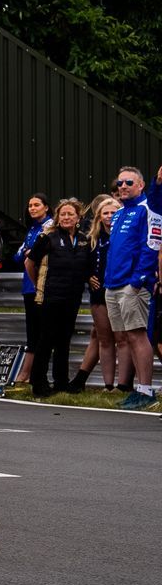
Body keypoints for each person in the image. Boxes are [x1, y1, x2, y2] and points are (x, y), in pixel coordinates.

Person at [99, 163, 162, 408]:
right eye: (120, 182)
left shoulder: (148, 208)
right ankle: (138, 389)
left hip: (132, 284)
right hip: (113, 284)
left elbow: (152, 244)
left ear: (141, 185)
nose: (123, 186)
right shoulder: (119, 213)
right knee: (126, 336)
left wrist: (138, 280)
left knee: (137, 335)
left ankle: (146, 391)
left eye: (129, 182)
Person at [27, 199, 89, 397]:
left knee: (64, 339)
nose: (66, 217)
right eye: (63, 214)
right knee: (46, 339)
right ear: (57, 217)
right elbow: (30, 262)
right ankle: (39, 382)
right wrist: (37, 284)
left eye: (70, 214)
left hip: (72, 297)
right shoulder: (48, 237)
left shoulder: (83, 239)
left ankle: (61, 382)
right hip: (50, 296)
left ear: (78, 217)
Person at [73, 194, 120, 390]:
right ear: (99, 216)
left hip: (120, 289)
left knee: (123, 339)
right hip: (98, 292)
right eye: (105, 213)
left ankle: (125, 384)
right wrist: (87, 275)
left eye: (113, 213)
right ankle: (108, 385)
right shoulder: (92, 237)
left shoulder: (124, 235)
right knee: (104, 338)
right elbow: (81, 260)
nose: (109, 216)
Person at [13, 193, 51, 387]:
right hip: (28, 286)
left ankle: (30, 373)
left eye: (37, 205)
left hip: (41, 286)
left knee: (40, 330)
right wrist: (27, 251)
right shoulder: (32, 228)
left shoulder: (49, 226)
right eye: (30, 205)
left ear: (46, 207)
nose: (32, 208)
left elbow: (36, 253)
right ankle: (26, 373)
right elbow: (18, 256)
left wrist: (30, 252)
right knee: (32, 331)